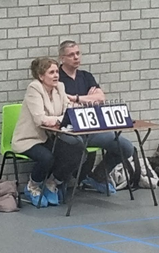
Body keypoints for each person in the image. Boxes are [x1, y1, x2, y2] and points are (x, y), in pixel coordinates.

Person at [57, 40, 136, 193]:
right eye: (71, 55)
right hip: (69, 130)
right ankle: (60, 182)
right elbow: (64, 103)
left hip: (91, 128)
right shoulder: (57, 78)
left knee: (126, 147)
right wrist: (87, 99)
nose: (76, 57)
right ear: (62, 58)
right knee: (77, 150)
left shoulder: (86, 76)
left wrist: (77, 98)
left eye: (78, 53)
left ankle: (98, 176)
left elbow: (100, 98)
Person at [11, 57, 86, 207]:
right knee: (47, 158)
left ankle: (52, 182)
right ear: (41, 76)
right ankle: (32, 186)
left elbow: (68, 109)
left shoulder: (60, 87)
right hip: (29, 139)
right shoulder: (34, 88)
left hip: (50, 137)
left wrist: (64, 115)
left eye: (57, 72)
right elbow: (40, 119)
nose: (56, 75)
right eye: (51, 72)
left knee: (79, 150)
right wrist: (61, 118)